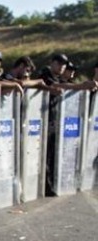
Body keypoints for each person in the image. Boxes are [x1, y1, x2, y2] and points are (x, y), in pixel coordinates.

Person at [38, 54, 98, 195]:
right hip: (43, 121)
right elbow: (54, 86)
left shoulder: (59, 78)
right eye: (59, 63)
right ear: (51, 62)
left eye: (63, 65)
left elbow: (63, 85)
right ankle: (46, 187)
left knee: (54, 154)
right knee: (46, 156)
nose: (62, 67)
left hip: (56, 120)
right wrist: (81, 86)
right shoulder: (45, 73)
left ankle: (54, 184)